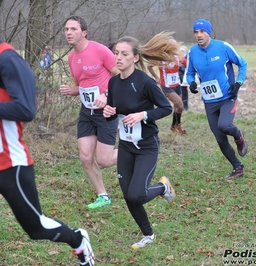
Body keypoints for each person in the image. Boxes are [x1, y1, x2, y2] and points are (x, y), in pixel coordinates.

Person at [0, 1, 94, 265]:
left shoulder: (7, 59)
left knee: (36, 228)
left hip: (10, 167)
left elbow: (25, 109)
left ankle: (77, 239)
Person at [103, 32, 177, 249]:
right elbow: (112, 111)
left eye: (124, 54)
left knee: (137, 194)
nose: (118, 57)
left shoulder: (145, 82)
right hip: (125, 146)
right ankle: (148, 235)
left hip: (146, 146)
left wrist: (142, 115)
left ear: (135, 58)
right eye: (116, 53)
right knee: (129, 196)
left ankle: (163, 188)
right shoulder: (113, 83)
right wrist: (107, 112)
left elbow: (166, 108)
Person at [60, 16, 119, 209]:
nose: (69, 32)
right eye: (67, 29)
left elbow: (121, 76)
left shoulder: (99, 50)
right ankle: (103, 196)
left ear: (84, 33)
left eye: (73, 29)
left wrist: (107, 94)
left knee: (105, 160)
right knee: (85, 157)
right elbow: (80, 86)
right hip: (87, 112)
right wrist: (71, 91)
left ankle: (138, 148)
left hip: (106, 110)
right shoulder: (71, 58)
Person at [186, 19, 248, 180]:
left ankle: (239, 136)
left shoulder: (223, 47)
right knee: (220, 139)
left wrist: (239, 83)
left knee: (225, 125)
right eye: (196, 32)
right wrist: (191, 82)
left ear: (209, 32)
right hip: (209, 101)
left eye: (202, 31)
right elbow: (189, 72)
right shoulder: (192, 52)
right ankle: (238, 167)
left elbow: (243, 64)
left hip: (228, 96)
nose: (199, 35)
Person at [148, 42, 187, 134]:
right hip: (166, 86)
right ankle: (175, 125)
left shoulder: (178, 56)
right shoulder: (161, 57)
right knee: (180, 105)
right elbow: (149, 66)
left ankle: (175, 126)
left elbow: (187, 63)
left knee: (177, 107)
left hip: (177, 84)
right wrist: (156, 77)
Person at [179, 46, 189, 110]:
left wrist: (181, 67)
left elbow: (188, 68)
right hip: (178, 79)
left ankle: (185, 106)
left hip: (184, 79)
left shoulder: (187, 59)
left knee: (184, 92)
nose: (181, 52)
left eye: (183, 51)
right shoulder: (177, 59)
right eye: (180, 51)